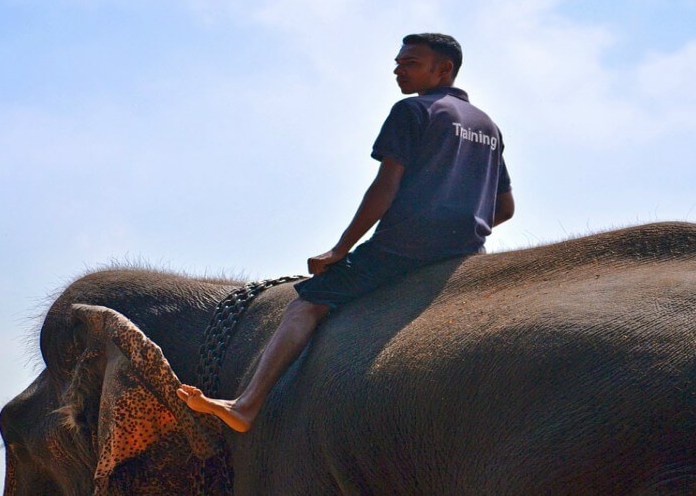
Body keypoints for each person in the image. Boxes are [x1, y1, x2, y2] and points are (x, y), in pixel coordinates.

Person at [177, 32, 514, 432]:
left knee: (307, 302)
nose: (397, 70)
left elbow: (385, 186)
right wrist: (460, 230)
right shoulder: (487, 126)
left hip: (403, 249)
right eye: (398, 62)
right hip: (467, 253)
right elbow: (506, 208)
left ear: (444, 69)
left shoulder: (412, 111)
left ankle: (246, 404)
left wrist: (340, 249)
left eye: (410, 63)